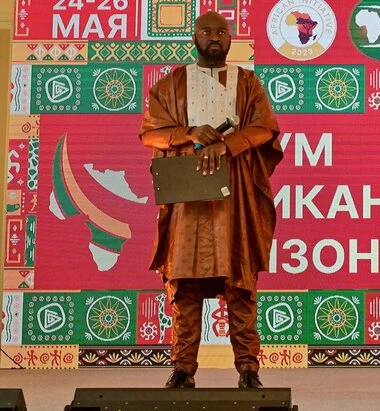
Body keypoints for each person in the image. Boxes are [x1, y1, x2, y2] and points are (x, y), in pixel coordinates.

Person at [139, 11, 282, 389]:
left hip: (234, 193)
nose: (214, 37)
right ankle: (182, 368)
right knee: (183, 282)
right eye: (206, 31)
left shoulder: (247, 82)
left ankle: (248, 369)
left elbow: (265, 127)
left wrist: (227, 145)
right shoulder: (171, 84)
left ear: (230, 37)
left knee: (239, 281)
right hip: (187, 197)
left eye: (221, 31)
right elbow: (150, 134)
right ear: (194, 37)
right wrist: (189, 133)